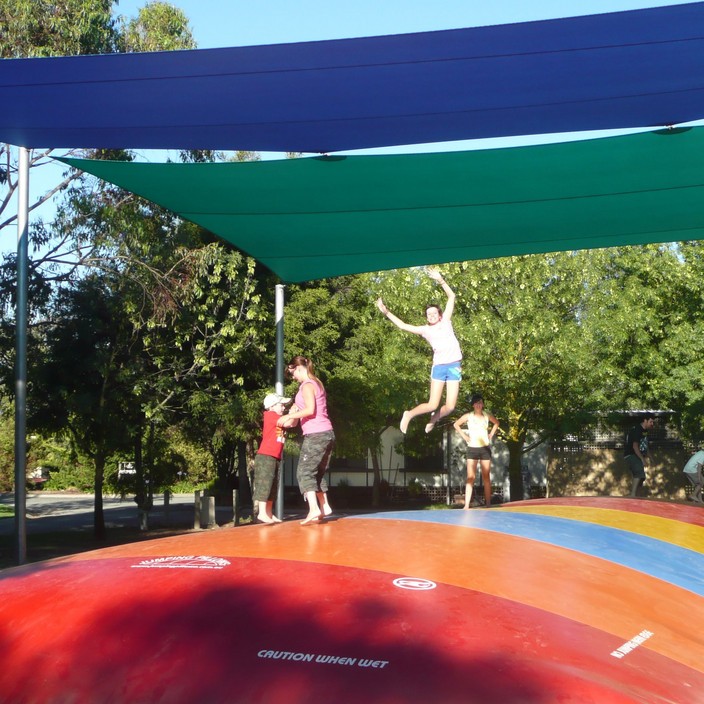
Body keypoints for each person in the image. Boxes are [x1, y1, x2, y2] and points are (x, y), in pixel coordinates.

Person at [376, 268, 462, 434]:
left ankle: (433, 420)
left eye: (433, 313)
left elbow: (452, 297)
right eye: (428, 314)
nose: (431, 315)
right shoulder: (425, 330)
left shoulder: (446, 322)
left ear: (439, 314)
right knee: (432, 404)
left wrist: (441, 280)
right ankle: (409, 414)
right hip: (439, 367)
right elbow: (403, 325)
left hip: (453, 365)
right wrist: (386, 312)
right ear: (426, 317)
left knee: (450, 406)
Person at [276, 356, 335, 525]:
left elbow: (310, 410)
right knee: (317, 473)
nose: (292, 377)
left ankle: (314, 509)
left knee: (304, 472)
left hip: (317, 434)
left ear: (299, 368)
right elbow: (299, 416)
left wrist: (289, 414)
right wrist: (291, 417)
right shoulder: (315, 383)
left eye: (292, 372)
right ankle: (325, 507)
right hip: (326, 433)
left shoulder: (308, 385)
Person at [253, 392, 297, 524]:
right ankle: (261, 512)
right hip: (266, 455)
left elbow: (292, 424)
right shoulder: (270, 415)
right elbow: (288, 422)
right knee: (265, 483)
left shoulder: (279, 417)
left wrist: (296, 413)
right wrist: (293, 411)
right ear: (272, 406)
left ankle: (269, 513)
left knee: (273, 485)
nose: (283, 407)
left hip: (275, 456)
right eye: (281, 405)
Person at [453, 393, 500, 509]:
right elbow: (456, 424)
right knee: (470, 477)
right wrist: (465, 436)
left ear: (483, 404)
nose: (479, 405)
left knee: (486, 477)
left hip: (484, 448)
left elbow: (497, 423)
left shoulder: (486, 415)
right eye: (477, 403)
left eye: (480, 402)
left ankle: (488, 504)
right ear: (473, 405)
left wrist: (491, 434)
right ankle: (467, 505)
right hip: (472, 448)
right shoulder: (468, 416)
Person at [623, 413, 656, 497]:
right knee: (639, 473)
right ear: (645, 420)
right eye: (651, 422)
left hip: (637, 455)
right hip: (631, 454)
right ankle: (633, 495)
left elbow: (645, 445)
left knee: (641, 478)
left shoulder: (645, 431)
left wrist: (650, 457)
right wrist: (642, 459)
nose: (652, 424)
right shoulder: (638, 430)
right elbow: (635, 446)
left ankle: (638, 496)